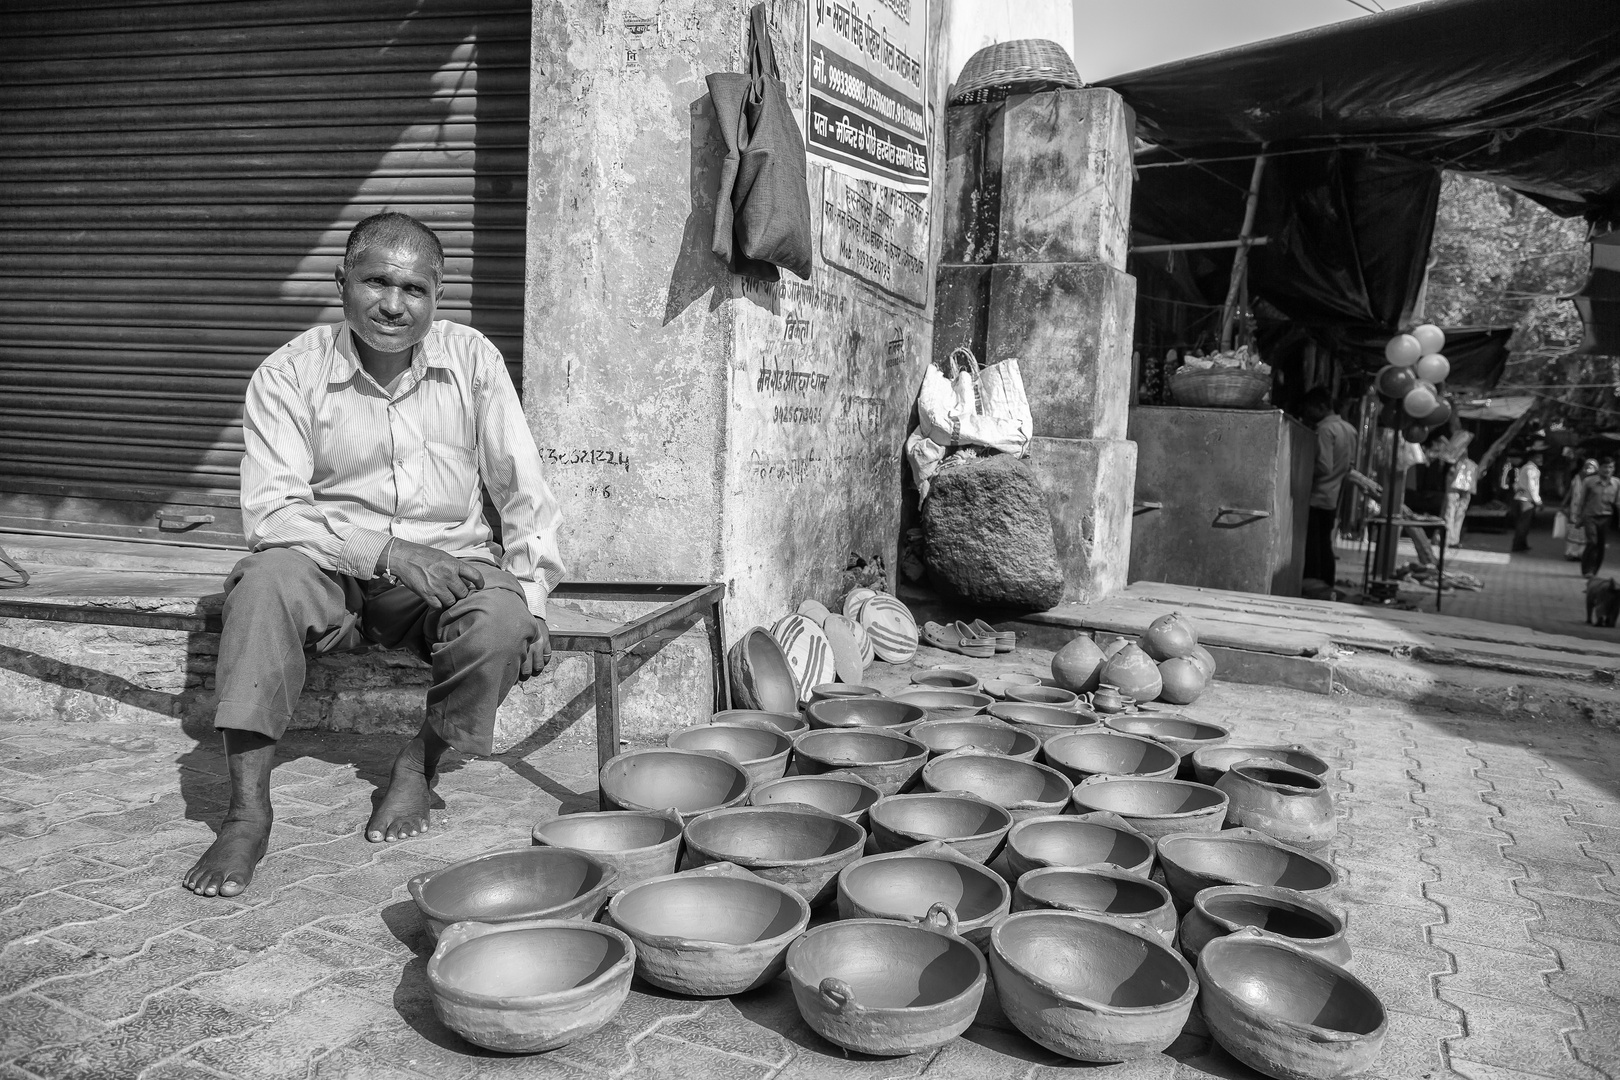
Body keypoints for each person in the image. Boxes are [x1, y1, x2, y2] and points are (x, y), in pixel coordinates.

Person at [183, 212, 564, 898]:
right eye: (377, 282)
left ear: (437, 295)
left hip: (446, 574)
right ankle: (246, 813)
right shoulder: (287, 375)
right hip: (328, 572)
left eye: (414, 288)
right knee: (263, 585)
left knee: (502, 621)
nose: (394, 304)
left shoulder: (472, 359)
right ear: (341, 283)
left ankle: (418, 765)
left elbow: (521, 487)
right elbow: (274, 515)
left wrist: (533, 599)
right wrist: (388, 550)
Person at [1301, 389, 1358, 592]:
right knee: (1325, 542)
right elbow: (1348, 465)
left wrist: (1301, 471)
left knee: (1314, 544)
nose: (1307, 413)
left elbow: (1324, 466)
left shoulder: (1325, 430)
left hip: (1317, 495)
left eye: (1310, 408)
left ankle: (1315, 585)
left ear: (1322, 407)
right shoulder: (1349, 429)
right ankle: (1327, 584)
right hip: (1334, 496)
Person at [1579, 458, 1620, 577]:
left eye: (1611, 467)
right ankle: (1587, 570)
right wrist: (1578, 517)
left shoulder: (1617, 483)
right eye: (1605, 467)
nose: (1607, 470)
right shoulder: (1589, 481)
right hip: (1590, 516)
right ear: (1599, 468)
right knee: (1592, 542)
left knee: (1601, 544)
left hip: (1606, 517)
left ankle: (1594, 570)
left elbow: (1618, 503)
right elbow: (1582, 501)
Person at [1564, 458, 1598, 562]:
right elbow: (1570, 491)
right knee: (1573, 530)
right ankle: (1571, 553)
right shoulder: (1577, 478)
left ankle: (1582, 554)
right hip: (1575, 508)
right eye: (1587, 466)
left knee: (1585, 532)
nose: (1588, 468)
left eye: (1591, 467)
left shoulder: (1596, 480)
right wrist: (1564, 504)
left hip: (1588, 510)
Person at [1511, 447, 1544, 552]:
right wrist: (1538, 501)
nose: (1540, 460)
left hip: (1521, 498)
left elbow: (1517, 484)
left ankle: (1522, 544)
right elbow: (1532, 486)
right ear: (1532, 458)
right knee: (1523, 524)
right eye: (1538, 457)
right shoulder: (1531, 469)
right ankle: (1518, 546)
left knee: (1523, 523)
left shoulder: (1525, 467)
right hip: (1526, 500)